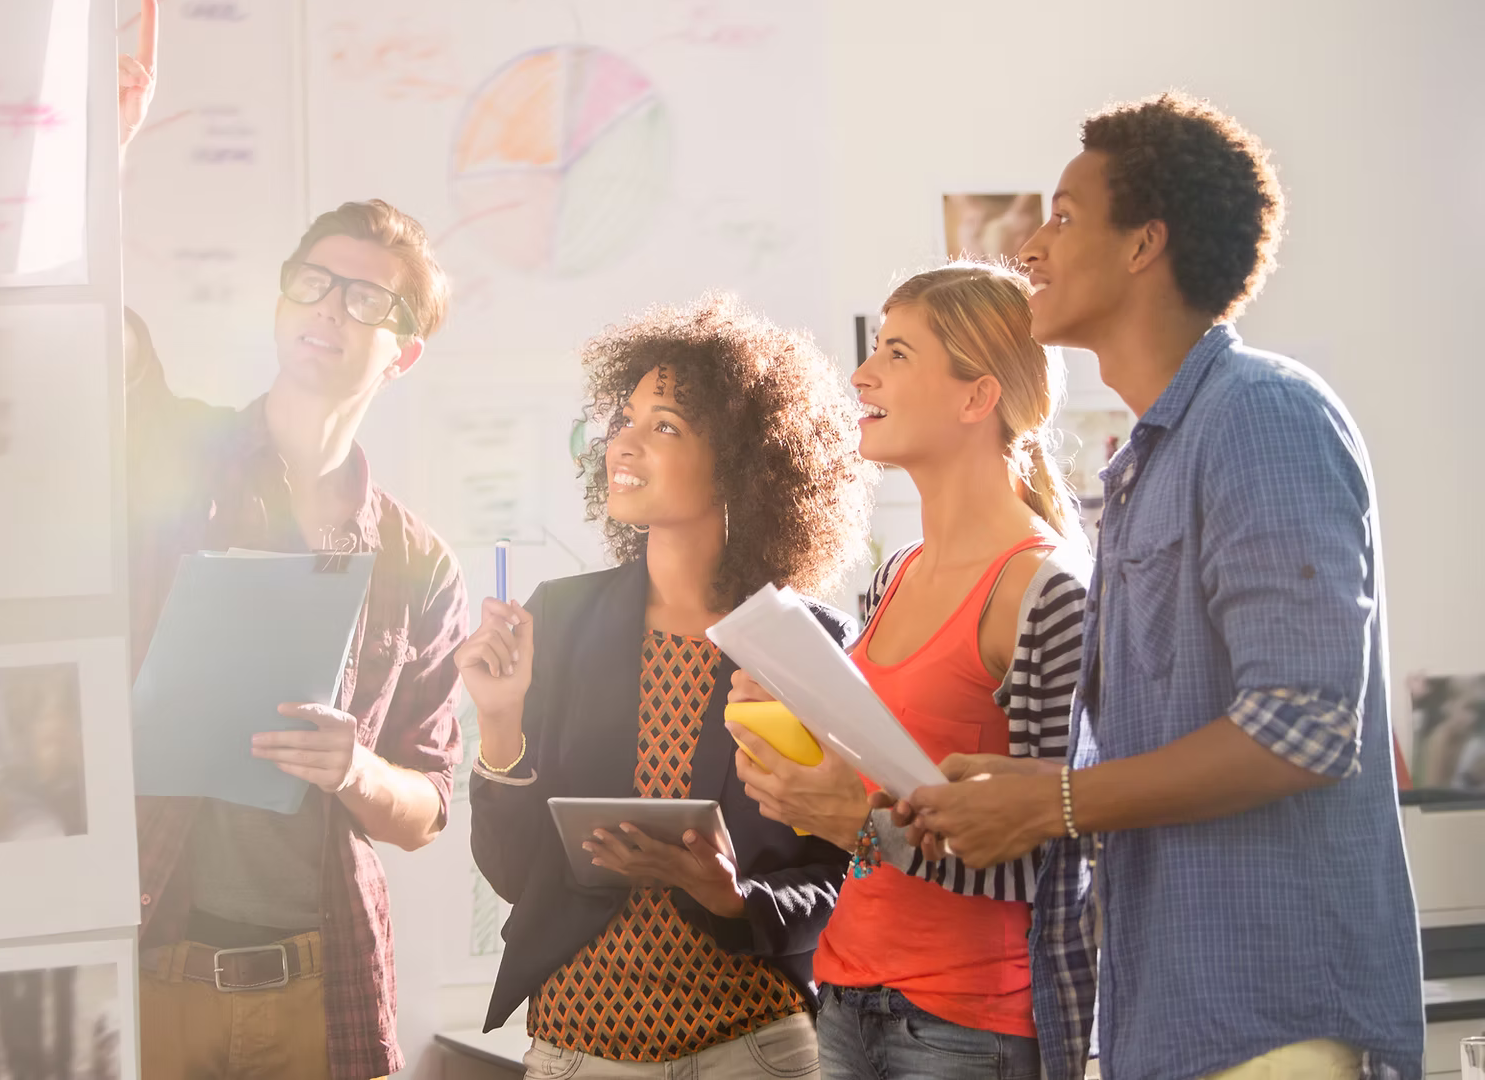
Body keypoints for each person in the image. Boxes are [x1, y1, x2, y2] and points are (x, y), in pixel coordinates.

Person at [906, 93, 1425, 1079]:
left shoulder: (1261, 417)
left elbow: (1302, 725)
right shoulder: (1151, 459)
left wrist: (1056, 800)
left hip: (1270, 1026)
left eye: (1064, 215)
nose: (1032, 243)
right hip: (1172, 1022)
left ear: (1145, 244)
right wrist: (1041, 792)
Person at [119, 0, 469, 1079]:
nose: (328, 308)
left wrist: (353, 765)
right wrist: (105, 143)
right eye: (312, 283)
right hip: (150, 964)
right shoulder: (168, 457)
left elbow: (424, 807)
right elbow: (93, 324)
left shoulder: (417, 559)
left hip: (322, 987)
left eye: (364, 299)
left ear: (405, 351)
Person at [458, 294, 876, 1079]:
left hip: (753, 1049)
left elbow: (844, 872)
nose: (624, 441)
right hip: (577, 1051)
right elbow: (515, 875)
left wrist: (735, 898)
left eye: (666, 426)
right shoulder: (562, 618)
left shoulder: (808, 644)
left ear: (745, 466)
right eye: (625, 417)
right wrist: (500, 725)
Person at [731, 262, 1094, 1079]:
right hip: (847, 994)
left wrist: (858, 824)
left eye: (896, 353)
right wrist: (790, 738)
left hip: (971, 1023)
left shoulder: (1044, 591)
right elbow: (884, 782)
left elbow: (1064, 853)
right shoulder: (895, 572)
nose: (863, 374)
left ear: (977, 397)